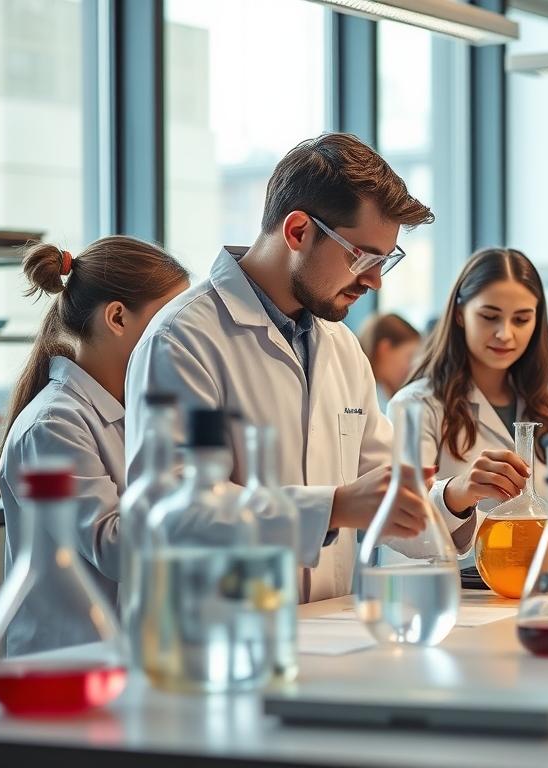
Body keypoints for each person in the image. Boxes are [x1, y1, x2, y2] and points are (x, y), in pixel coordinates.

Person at [125, 132, 461, 602]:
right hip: (217, 641)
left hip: (325, 632)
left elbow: (382, 492)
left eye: (386, 261)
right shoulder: (184, 339)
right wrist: (333, 507)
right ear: (298, 231)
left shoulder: (341, 346)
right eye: (362, 256)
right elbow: (172, 513)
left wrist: (455, 499)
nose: (374, 281)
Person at [0, 237, 189, 654]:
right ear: (117, 317)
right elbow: (115, 549)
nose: (184, 340)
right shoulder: (53, 425)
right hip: (63, 667)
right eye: (171, 322)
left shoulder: (135, 411)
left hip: (126, 659)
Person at [391, 248, 548, 545]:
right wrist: (458, 494)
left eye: (521, 319)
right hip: (451, 586)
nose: (505, 334)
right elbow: (400, 528)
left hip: (540, 582)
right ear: (459, 314)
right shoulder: (417, 406)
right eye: (489, 316)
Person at [357, 312, 422, 412]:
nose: (411, 367)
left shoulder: (386, 395)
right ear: (385, 349)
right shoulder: (368, 400)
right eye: (409, 357)